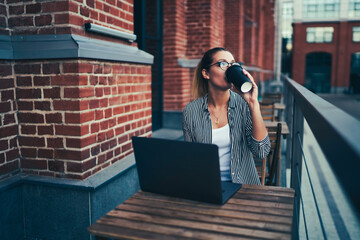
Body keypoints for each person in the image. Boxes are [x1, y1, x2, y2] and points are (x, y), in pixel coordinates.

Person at [182, 47, 271, 185]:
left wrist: (253, 104)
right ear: (206, 73)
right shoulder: (191, 111)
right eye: (223, 64)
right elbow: (191, 157)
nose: (230, 69)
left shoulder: (243, 104)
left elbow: (262, 151)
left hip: (244, 187)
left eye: (233, 64)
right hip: (207, 186)